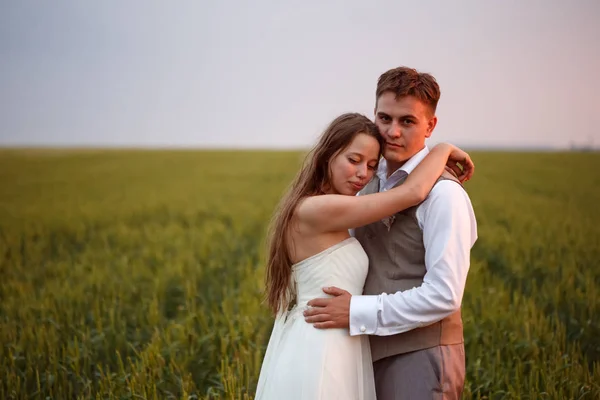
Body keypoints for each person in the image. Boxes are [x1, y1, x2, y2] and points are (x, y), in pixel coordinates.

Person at [255, 112, 474, 400]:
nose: (363, 174)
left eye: (372, 165)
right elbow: (412, 191)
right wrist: (443, 149)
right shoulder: (316, 209)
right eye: (353, 160)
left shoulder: (334, 205)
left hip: (340, 340)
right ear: (328, 155)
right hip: (320, 346)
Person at [303, 67, 478, 399]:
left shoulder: (445, 195)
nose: (392, 132)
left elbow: (444, 295)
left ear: (430, 126)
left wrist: (357, 311)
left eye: (407, 121)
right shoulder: (364, 177)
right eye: (384, 118)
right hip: (358, 353)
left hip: (419, 355)